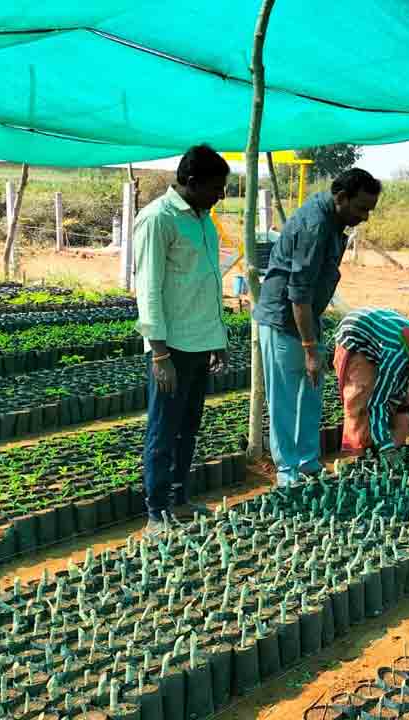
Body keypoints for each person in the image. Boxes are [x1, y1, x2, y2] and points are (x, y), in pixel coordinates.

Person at [254, 168, 382, 487]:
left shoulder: (333, 221)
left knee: (310, 393)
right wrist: (310, 348)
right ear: (341, 198)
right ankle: (287, 471)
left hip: (308, 318)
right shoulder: (315, 225)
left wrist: (313, 337)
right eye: (361, 208)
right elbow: (297, 293)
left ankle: (308, 462)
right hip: (283, 318)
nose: (364, 217)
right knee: (284, 396)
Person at [134, 145, 230, 535]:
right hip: (170, 346)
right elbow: (148, 289)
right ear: (190, 182)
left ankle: (179, 499)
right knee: (162, 428)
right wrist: (159, 354)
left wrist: (217, 337)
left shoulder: (204, 219)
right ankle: (156, 512)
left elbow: (208, 282)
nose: (220, 196)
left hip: (200, 340)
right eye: (215, 188)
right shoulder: (158, 219)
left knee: (188, 425)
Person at [333, 308, 409, 454]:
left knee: (405, 397)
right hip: (355, 336)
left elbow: (404, 377)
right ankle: (360, 452)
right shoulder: (395, 356)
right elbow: (377, 403)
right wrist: (386, 448)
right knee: (362, 398)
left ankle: (395, 445)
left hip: (382, 337)